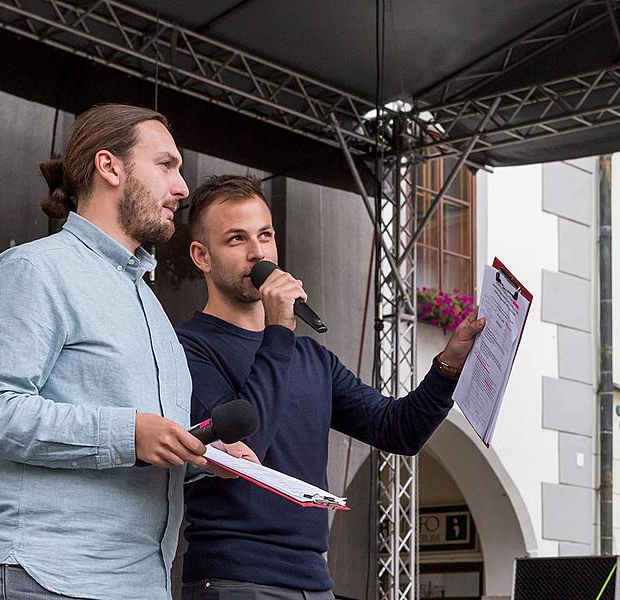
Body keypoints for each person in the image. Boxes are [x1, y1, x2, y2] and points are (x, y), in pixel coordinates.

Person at [0, 104, 255, 600]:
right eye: (166, 165)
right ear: (109, 166)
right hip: (41, 577)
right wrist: (128, 433)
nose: (181, 188)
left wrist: (197, 457)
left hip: (137, 583)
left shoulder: (151, 307)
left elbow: (139, 452)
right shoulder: (34, 269)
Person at [175, 174, 486, 599]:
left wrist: (449, 365)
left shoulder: (311, 358)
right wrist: (279, 331)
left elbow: (398, 429)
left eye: (265, 235)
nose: (257, 253)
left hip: (313, 580)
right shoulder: (187, 348)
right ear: (201, 256)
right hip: (236, 577)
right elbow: (247, 451)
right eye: (236, 239)